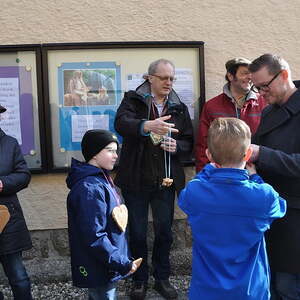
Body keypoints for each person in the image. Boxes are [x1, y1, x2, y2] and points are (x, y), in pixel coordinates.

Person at [179, 117, 286, 300]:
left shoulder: (195, 192)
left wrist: (209, 169)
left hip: (206, 291)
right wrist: (255, 178)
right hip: (250, 292)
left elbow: (191, 190)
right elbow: (281, 206)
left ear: (209, 155)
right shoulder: (263, 195)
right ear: (248, 154)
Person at [114, 59, 193, 299]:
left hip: (165, 180)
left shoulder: (179, 107)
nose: (168, 83)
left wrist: (176, 146)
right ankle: (139, 280)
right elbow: (120, 124)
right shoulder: (133, 100)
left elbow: (189, 141)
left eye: (172, 78)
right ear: (150, 78)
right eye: (163, 78)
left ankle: (162, 278)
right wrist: (147, 125)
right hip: (135, 178)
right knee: (137, 233)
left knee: (164, 233)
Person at [66, 129, 142, 300]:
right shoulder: (90, 189)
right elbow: (95, 236)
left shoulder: (103, 180)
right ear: (94, 154)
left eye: (116, 150)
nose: (116, 156)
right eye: (110, 150)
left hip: (107, 264)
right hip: (100, 266)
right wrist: (121, 262)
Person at [249, 54, 300, 300]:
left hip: (296, 217)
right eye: (256, 88)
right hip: (271, 213)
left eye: (264, 86)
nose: (260, 93)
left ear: (284, 75)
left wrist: (261, 154)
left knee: (288, 286)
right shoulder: (270, 112)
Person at [195, 57, 267, 172]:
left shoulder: (264, 103)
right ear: (230, 76)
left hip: (256, 174)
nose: (250, 77)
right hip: (221, 175)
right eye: (245, 73)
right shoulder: (211, 106)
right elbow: (203, 145)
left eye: (251, 74)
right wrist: (203, 175)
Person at [0, 104, 33, 300]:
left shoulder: (10, 143)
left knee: (18, 276)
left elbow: (23, 175)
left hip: (8, 219)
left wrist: (3, 184)